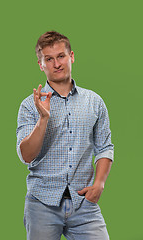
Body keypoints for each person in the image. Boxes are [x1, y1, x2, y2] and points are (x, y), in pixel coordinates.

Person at [16, 31, 114, 240]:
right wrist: (43, 118)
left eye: (61, 56)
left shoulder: (94, 102)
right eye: (48, 59)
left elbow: (105, 147)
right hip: (41, 204)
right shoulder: (29, 106)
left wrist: (99, 184)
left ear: (71, 57)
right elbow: (26, 155)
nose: (56, 64)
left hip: (84, 205)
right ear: (41, 64)